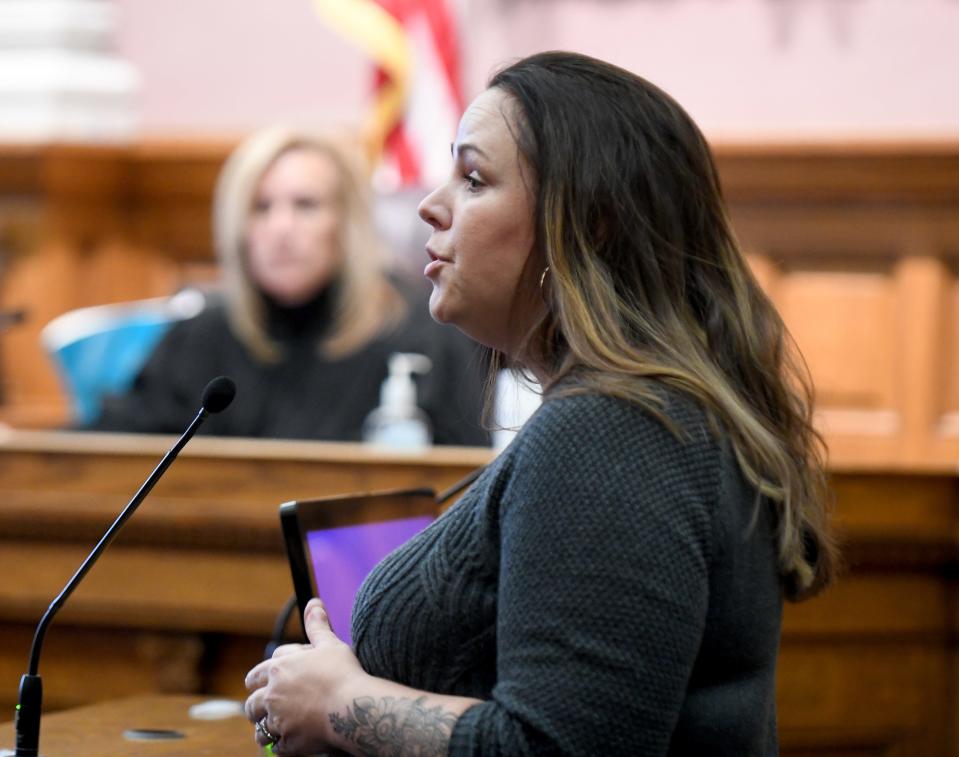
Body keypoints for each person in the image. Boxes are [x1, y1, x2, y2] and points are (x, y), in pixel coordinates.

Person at [243, 51, 838, 756]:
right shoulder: (650, 411)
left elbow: (556, 748)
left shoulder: (613, 428)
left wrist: (338, 702)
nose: (431, 205)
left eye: (473, 178)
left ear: (588, 226)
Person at [85, 127, 488, 445]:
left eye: (305, 205)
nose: (281, 229)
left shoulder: (426, 335)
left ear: (346, 224)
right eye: (261, 208)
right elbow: (111, 450)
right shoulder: (201, 335)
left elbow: (464, 493)